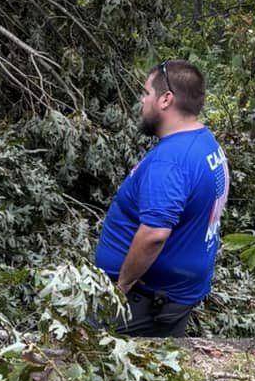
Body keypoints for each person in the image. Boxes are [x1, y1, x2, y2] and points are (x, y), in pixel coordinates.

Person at [94, 61, 229, 338]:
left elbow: (155, 233)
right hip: (171, 296)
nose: (143, 102)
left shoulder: (170, 161)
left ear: (166, 99)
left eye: (146, 94)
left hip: (143, 302)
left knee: (87, 361)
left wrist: (120, 289)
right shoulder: (206, 144)